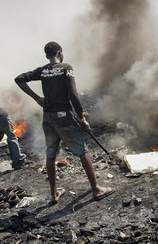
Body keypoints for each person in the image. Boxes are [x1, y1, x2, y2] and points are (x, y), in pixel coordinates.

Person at [15, 41, 113, 203]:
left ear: (47, 55)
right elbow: (73, 94)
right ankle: (96, 189)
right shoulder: (66, 68)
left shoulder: (42, 70)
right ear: (60, 53)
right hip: (63, 117)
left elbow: (19, 79)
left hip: (48, 117)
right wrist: (82, 118)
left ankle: (54, 194)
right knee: (82, 150)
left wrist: (37, 98)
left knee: (51, 154)